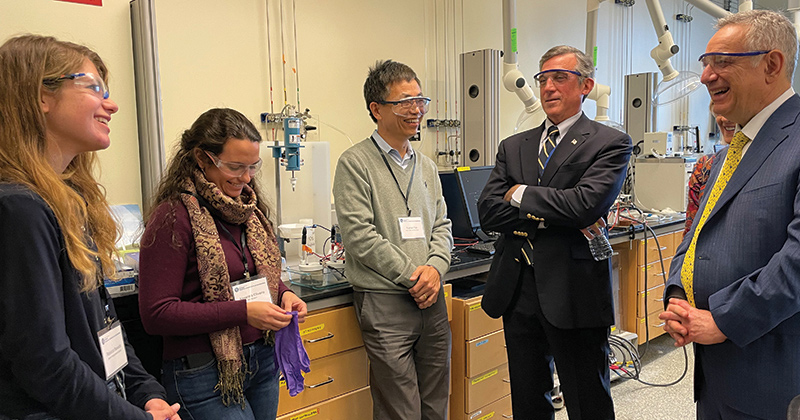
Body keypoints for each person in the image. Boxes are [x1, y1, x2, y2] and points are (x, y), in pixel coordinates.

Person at [0, 34, 179, 420]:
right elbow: (45, 363)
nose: (110, 104)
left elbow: (104, 324)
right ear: (40, 96)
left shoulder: (67, 202)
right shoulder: (19, 209)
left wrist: (144, 392)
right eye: (93, 87)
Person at [477, 45, 632, 420]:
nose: (548, 87)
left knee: (587, 400)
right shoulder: (514, 146)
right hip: (518, 288)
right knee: (528, 400)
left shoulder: (609, 142)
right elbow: (488, 212)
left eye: (560, 77)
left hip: (574, 288)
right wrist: (550, 212)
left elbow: (586, 206)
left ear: (586, 85)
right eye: (543, 79)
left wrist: (521, 194)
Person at [659, 9, 800, 419]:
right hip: (717, 374)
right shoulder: (730, 155)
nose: (705, 76)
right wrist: (678, 293)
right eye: (706, 64)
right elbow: (697, 235)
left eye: (722, 62)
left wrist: (724, 318)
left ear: (771, 64)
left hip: (772, 371)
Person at [138, 108, 308, 420]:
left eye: (252, 167)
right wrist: (242, 311)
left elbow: (255, 273)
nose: (245, 179)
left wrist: (283, 294)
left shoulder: (247, 209)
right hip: (203, 372)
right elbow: (156, 314)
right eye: (234, 167)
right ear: (203, 159)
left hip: (260, 360)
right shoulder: (174, 216)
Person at [332, 60, 453, 420]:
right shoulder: (354, 164)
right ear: (376, 109)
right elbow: (360, 237)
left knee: (436, 403)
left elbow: (442, 225)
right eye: (405, 102)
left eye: (421, 100)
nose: (417, 110)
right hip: (385, 302)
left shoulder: (427, 166)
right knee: (400, 409)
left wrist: (435, 269)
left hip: (432, 299)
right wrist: (417, 276)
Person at [683, 103, 735, 237]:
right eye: (720, 113)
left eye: (733, 110)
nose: (725, 119)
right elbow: (691, 230)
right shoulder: (704, 167)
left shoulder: (770, 160)